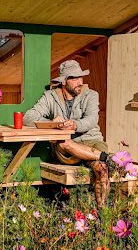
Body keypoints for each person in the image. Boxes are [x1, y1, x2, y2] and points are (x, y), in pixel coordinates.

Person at [23, 60, 115, 208]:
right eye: (74, 78)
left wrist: (75, 124)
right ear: (64, 81)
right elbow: (28, 117)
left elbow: (92, 119)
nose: (80, 81)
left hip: (91, 142)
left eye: (81, 77)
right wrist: (53, 123)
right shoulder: (50, 97)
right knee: (64, 142)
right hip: (65, 149)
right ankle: (107, 157)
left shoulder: (91, 95)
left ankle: (102, 213)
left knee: (102, 169)